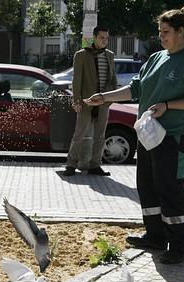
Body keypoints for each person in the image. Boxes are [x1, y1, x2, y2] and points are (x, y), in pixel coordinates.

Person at [84, 5, 184, 264]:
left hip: (174, 136)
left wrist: (168, 106)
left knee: (171, 189)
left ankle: (179, 246)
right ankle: (155, 236)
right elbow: (136, 89)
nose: (161, 36)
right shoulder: (157, 58)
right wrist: (104, 98)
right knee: (147, 185)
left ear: (180, 31)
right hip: (149, 134)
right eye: (160, 31)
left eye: (165, 32)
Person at [64, 25, 117, 177]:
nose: (104, 41)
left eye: (106, 38)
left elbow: (113, 79)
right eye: (101, 38)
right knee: (79, 134)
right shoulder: (82, 55)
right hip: (86, 102)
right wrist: (76, 100)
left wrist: (110, 99)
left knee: (100, 135)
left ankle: (95, 165)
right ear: (94, 37)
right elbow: (76, 81)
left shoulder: (110, 55)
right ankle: (70, 164)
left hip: (103, 102)